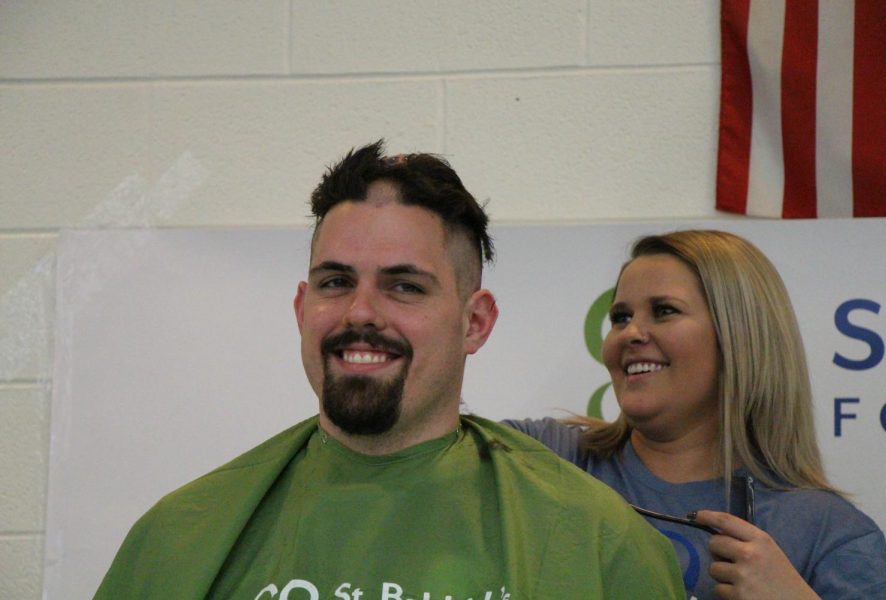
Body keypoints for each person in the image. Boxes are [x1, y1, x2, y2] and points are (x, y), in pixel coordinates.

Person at [94, 142, 685, 599]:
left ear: (475, 321)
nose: (360, 313)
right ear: (303, 310)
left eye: (404, 286)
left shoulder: (597, 542)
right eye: (336, 282)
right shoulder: (179, 538)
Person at [506, 230, 886, 600]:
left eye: (663, 311)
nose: (630, 333)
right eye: (620, 317)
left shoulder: (830, 533)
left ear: (739, 335)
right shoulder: (547, 457)